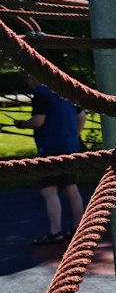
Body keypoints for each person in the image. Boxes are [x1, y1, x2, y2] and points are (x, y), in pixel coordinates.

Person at [22, 73, 87, 244]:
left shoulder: (41, 94)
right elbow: (82, 117)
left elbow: (38, 121)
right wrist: (74, 135)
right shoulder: (65, 93)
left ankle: (55, 232)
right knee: (70, 187)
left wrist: (21, 124)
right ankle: (77, 228)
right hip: (69, 146)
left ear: (33, 78)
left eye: (27, 79)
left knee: (49, 189)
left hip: (50, 146)